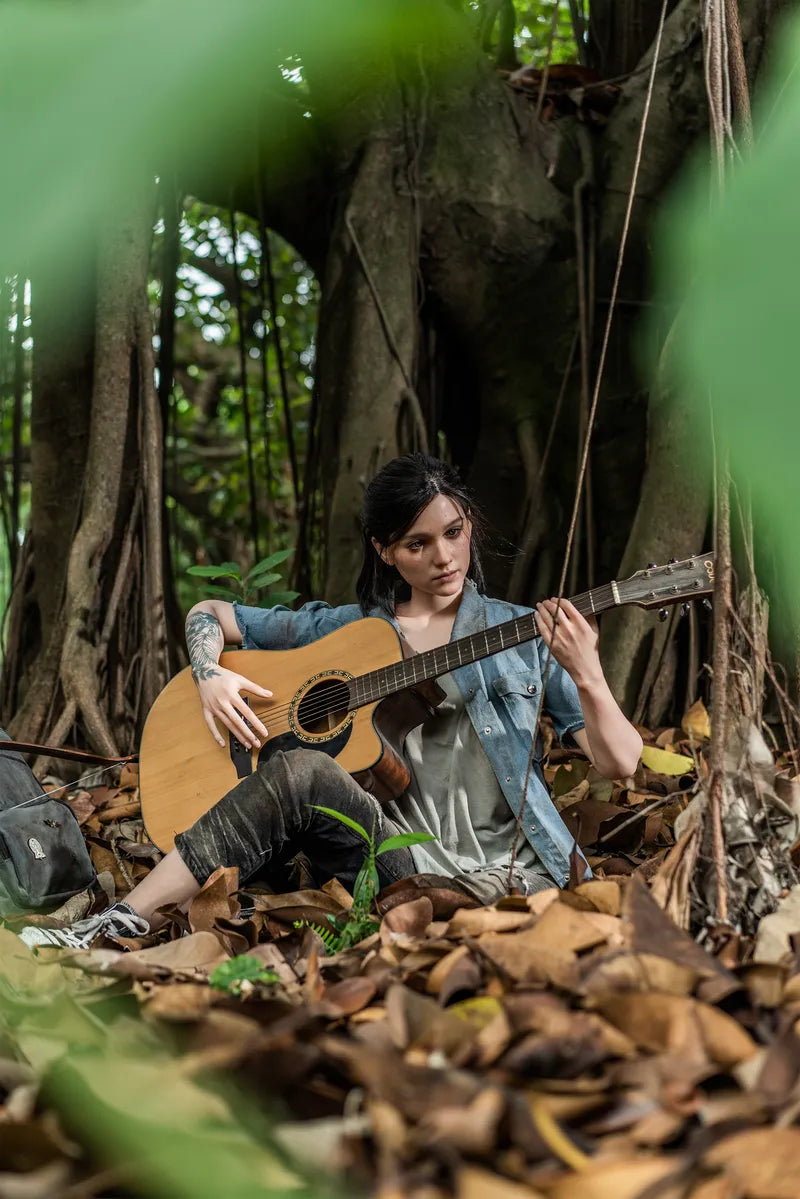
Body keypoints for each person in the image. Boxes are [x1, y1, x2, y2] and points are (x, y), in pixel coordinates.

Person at [19, 454, 641, 950]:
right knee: (301, 770)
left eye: (453, 533)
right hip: (396, 863)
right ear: (385, 551)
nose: (444, 557)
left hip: (508, 881)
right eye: (417, 544)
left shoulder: (528, 632)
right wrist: (210, 673)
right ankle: (120, 920)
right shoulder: (351, 631)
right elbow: (210, 612)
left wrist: (587, 675)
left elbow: (621, 765)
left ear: (470, 524)